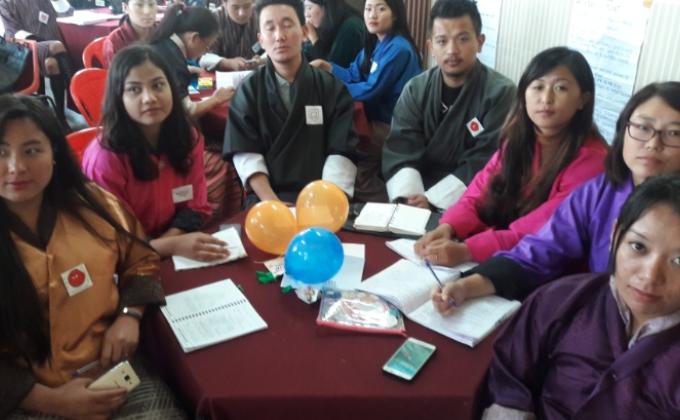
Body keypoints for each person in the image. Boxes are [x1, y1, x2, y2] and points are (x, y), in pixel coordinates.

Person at [0, 94, 186, 418]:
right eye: (2, 152)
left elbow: (141, 260)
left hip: (109, 366)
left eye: (31, 150)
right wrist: (49, 401)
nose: (16, 167)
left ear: (54, 153)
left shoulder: (93, 205)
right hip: (24, 395)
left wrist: (130, 314)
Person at [431, 81, 680, 307]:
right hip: (598, 315)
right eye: (643, 127)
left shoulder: (590, 158)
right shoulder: (601, 190)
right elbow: (545, 248)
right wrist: (469, 285)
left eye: (674, 133)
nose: (653, 144)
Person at [482, 174, 680, 419]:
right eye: (638, 247)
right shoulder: (560, 300)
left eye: (678, 260)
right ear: (615, 235)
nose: (650, 276)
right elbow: (510, 378)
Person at [415, 47, 608, 267]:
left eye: (560, 88)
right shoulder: (518, 140)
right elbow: (478, 192)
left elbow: (540, 232)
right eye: (538, 87)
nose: (546, 98)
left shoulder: (592, 161)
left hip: (546, 267)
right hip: (502, 253)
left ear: (583, 99)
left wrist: (467, 251)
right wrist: (448, 227)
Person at [82, 45, 230, 261]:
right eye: (134, 89)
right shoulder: (105, 159)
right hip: (125, 261)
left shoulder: (188, 137)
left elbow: (196, 206)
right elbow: (112, 239)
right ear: (119, 97)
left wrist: (171, 242)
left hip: (175, 245)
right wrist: (168, 246)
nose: (149, 98)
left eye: (158, 85)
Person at [382, 0, 516, 210]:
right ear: (431, 47)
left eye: (462, 39)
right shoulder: (416, 89)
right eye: (442, 41)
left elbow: (486, 160)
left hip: (473, 202)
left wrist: (433, 201)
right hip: (416, 194)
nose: (452, 50)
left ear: (480, 42)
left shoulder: (501, 93)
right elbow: (401, 148)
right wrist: (411, 199)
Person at [223, 0, 358, 204]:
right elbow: (245, 152)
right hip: (266, 200)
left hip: (322, 198)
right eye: (270, 28)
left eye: (287, 25)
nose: (279, 36)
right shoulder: (249, 90)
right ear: (261, 39)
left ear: (304, 32)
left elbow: (342, 150)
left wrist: (324, 202)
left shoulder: (331, 87)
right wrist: (273, 203)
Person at [311, 0, 422, 202]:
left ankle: (394, 205)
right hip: (376, 119)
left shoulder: (399, 49)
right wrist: (328, 67)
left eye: (381, 8)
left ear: (395, 14)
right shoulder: (376, 43)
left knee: (350, 160)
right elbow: (353, 74)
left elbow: (371, 90)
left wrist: (333, 89)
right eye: (368, 8)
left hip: (394, 127)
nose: (372, 14)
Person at [148, 3, 234, 118]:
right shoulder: (176, 63)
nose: (204, 52)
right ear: (195, 38)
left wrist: (188, 69)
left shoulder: (164, 43)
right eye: (207, 46)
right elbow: (189, 110)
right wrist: (216, 99)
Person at [0, 0, 73, 123]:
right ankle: (73, 90)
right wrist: (36, 40)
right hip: (26, 47)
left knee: (52, 64)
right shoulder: (6, 2)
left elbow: (66, 13)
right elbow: (11, 32)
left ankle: (60, 117)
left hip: (49, 41)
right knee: (57, 45)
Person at [199, 0, 262, 71]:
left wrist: (262, 60)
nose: (242, 13)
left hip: (254, 73)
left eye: (247, 6)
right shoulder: (212, 20)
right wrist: (227, 63)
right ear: (224, 3)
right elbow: (202, 58)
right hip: (219, 74)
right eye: (235, 8)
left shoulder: (261, 16)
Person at [303, 0, 364, 67]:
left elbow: (329, 68)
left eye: (309, 8)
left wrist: (313, 38)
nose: (306, 14)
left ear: (326, 7)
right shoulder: (329, 27)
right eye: (305, 9)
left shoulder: (351, 28)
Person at [103, 0, 158, 67]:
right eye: (139, 5)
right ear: (126, 8)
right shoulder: (114, 41)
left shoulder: (163, 33)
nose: (147, 11)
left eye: (151, 4)